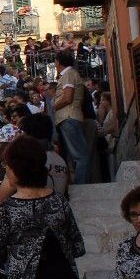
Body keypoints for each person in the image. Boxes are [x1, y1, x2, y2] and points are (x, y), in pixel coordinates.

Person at [0, 136, 84, 279]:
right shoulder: (59, 202)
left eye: (8, 165)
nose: (6, 169)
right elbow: (77, 246)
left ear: (17, 169)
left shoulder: (8, 208)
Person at [54, 49, 91, 184]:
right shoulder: (70, 74)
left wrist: (52, 107)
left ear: (58, 62)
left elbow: (67, 97)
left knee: (80, 156)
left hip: (68, 117)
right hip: (69, 118)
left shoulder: (68, 74)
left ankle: (81, 187)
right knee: (77, 155)